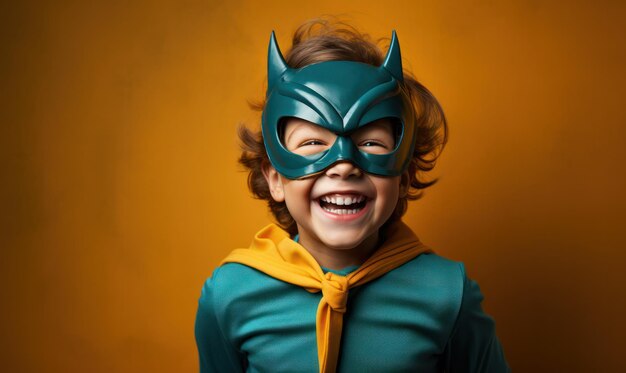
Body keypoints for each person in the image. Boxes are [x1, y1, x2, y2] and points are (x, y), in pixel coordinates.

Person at [195, 19, 510, 373]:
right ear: (275, 179)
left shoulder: (449, 295)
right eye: (313, 143)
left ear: (404, 177)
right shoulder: (229, 295)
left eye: (371, 143)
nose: (344, 166)